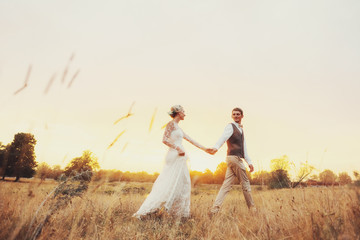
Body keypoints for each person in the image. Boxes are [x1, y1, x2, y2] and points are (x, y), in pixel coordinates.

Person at [133, 105, 209, 219]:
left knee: (184, 183)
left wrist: (206, 149)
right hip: (174, 155)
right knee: (168, 183)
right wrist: (178, 148)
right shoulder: (171, 124)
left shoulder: (178, 128)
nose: (185, 113)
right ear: (178, 112)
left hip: (181, 157)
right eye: (183, 111)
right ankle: (147, 211)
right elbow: (164, 139)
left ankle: (178, 213)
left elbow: (191, 140)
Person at [207, 107, 256, 215]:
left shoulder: (241, 130)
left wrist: (249, 162)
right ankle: (253, 210)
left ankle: (214, 210)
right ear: (232, 116)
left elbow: (244, 148)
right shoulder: (230, 126)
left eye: (238, 114)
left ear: (242, 116)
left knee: (226, 186)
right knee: (245, 183)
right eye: (234, 114)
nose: (236, 116)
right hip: (234, 158)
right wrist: (216, 147)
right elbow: (223, 137)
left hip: (232, 159)